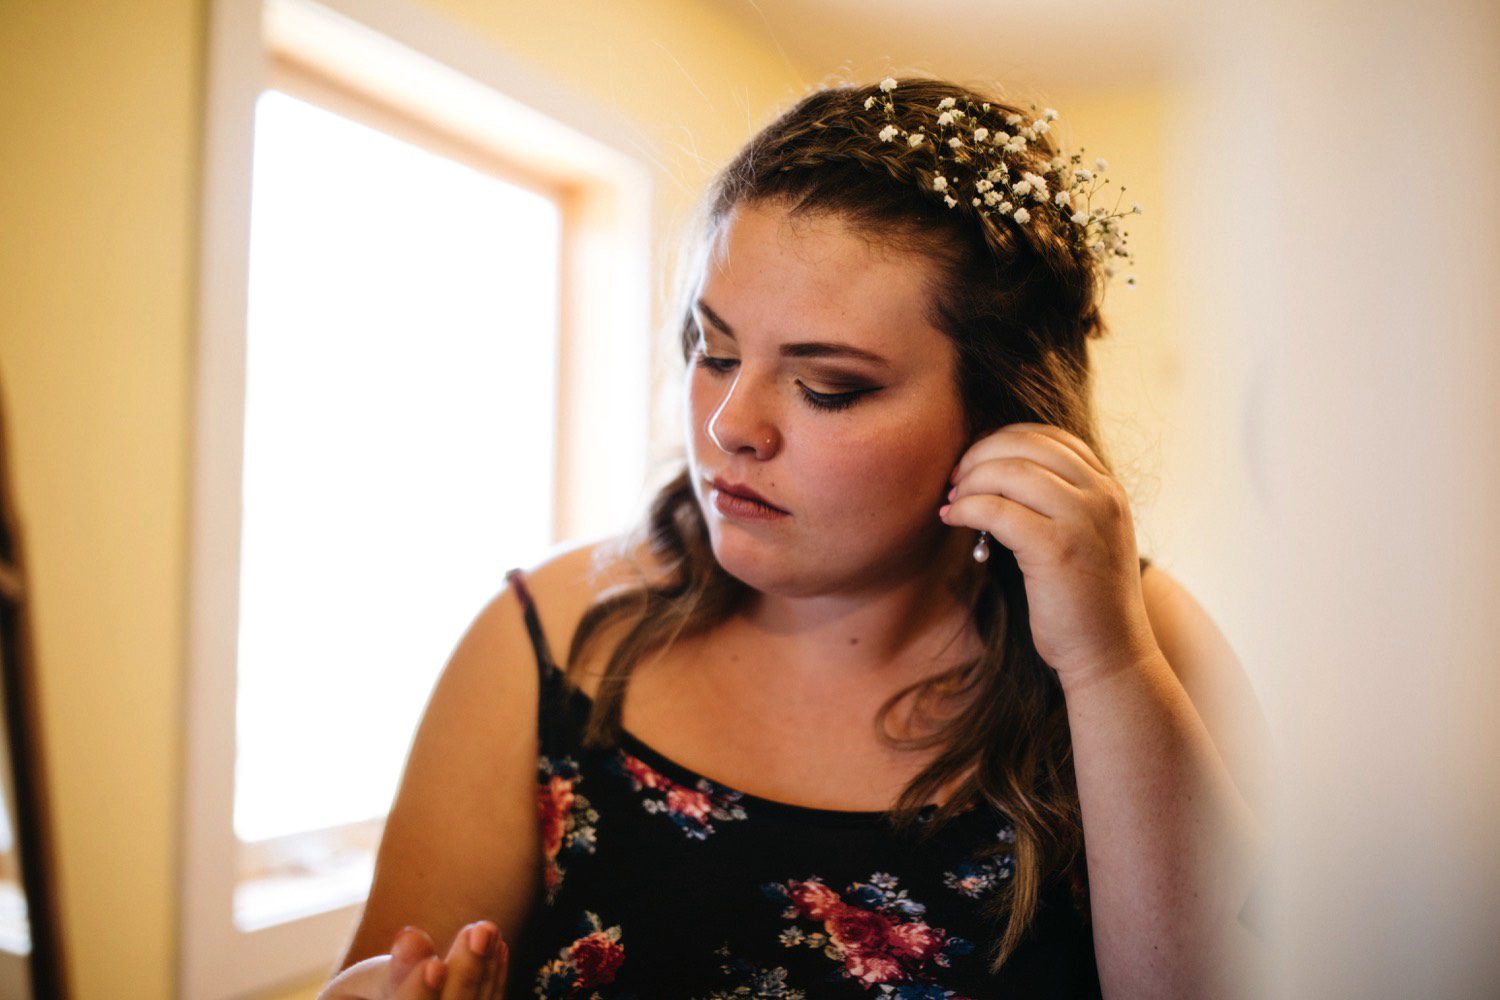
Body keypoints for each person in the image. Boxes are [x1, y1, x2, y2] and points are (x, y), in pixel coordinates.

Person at [325, 76, 1271, 999]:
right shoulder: (546, 641)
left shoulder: (1138, 642)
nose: (731, 424)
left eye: (828, 388)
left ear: (1003, 418)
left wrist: (1105, 665)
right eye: (714, 351)